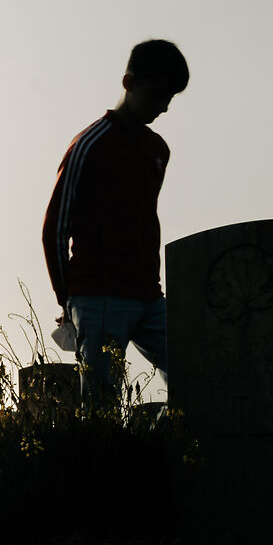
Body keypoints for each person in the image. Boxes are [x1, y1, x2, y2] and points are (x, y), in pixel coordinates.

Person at [41, 39, 190, 401]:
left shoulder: (158, 149)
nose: (164, 106)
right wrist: (68, 299)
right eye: (158, 95)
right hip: (97, 294)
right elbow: (55, 229)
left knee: (194, 373)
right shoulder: (90, 144)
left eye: (170, 97)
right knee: (100, 405)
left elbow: (142, 220)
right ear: (129, 83)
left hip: (148, 294)